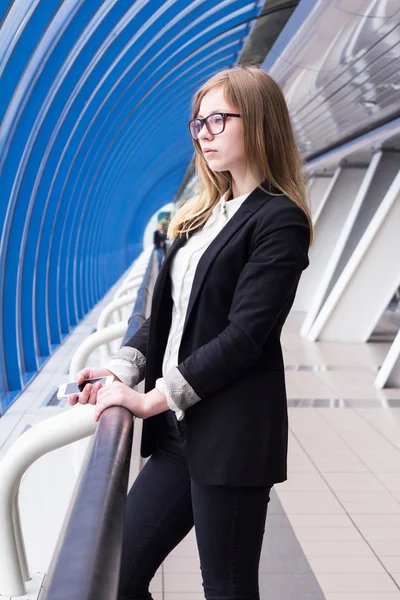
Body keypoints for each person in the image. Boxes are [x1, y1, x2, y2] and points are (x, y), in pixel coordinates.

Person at [69, 65, 312, 600]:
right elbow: (167, 314)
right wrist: (121, 368)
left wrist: (150, 399)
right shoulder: (204, 215)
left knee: (225, 587)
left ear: (260, 122)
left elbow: (246, 336)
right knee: (118, 575)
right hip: (182, 435)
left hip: (230, 435)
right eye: (197, 123)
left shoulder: (279, 220)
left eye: (218, 120)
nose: (202, 133)